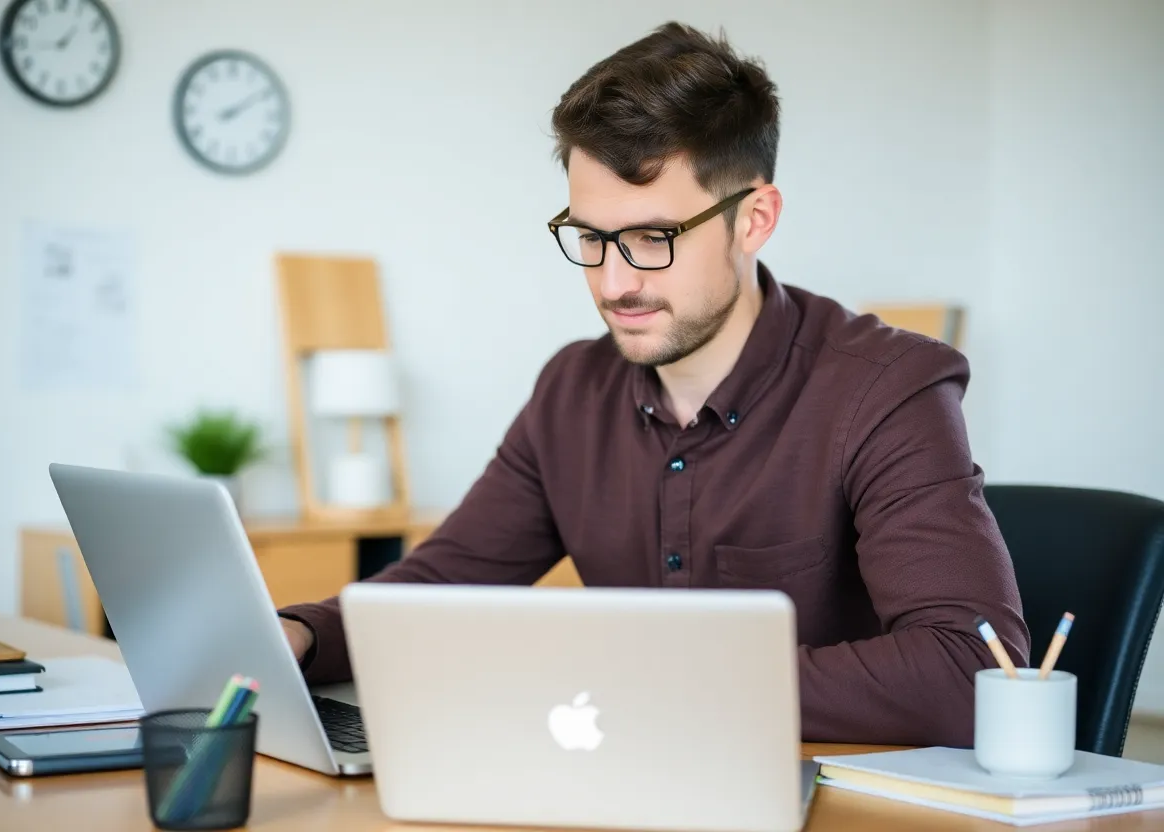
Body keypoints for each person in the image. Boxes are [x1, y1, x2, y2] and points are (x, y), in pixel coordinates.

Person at [277, 21, 1029, 748]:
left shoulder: (888, 389)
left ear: (754, 218)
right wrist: (301, 633)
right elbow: (440, 587)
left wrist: (659, 685)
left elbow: (971, 671)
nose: (613, 283)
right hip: (626, 777)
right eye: (592, 238)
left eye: (652, 239)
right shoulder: (571, 390)